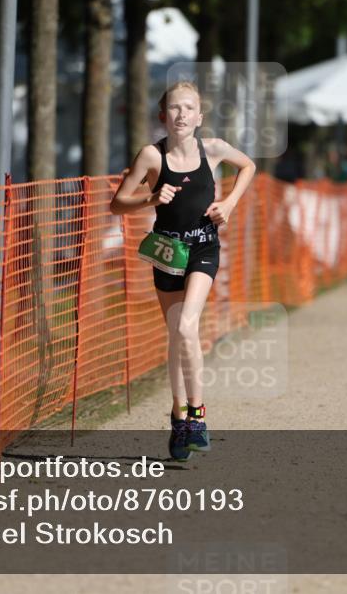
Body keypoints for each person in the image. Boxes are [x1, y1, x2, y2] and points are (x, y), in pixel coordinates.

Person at [109, 81, 256, 461]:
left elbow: (248, 166)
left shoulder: (215, 149)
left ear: (199, 116)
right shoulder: (151, 157)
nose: (181, 115)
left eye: (189, 108)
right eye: (174, 108)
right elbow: (118, 204)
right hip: (167, 252)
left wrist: (230, 203)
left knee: (188, 326)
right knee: (176, 335)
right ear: (163, 116)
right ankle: (178, 415)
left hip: (203, 249)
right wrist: (151, 197)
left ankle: (198, 416)